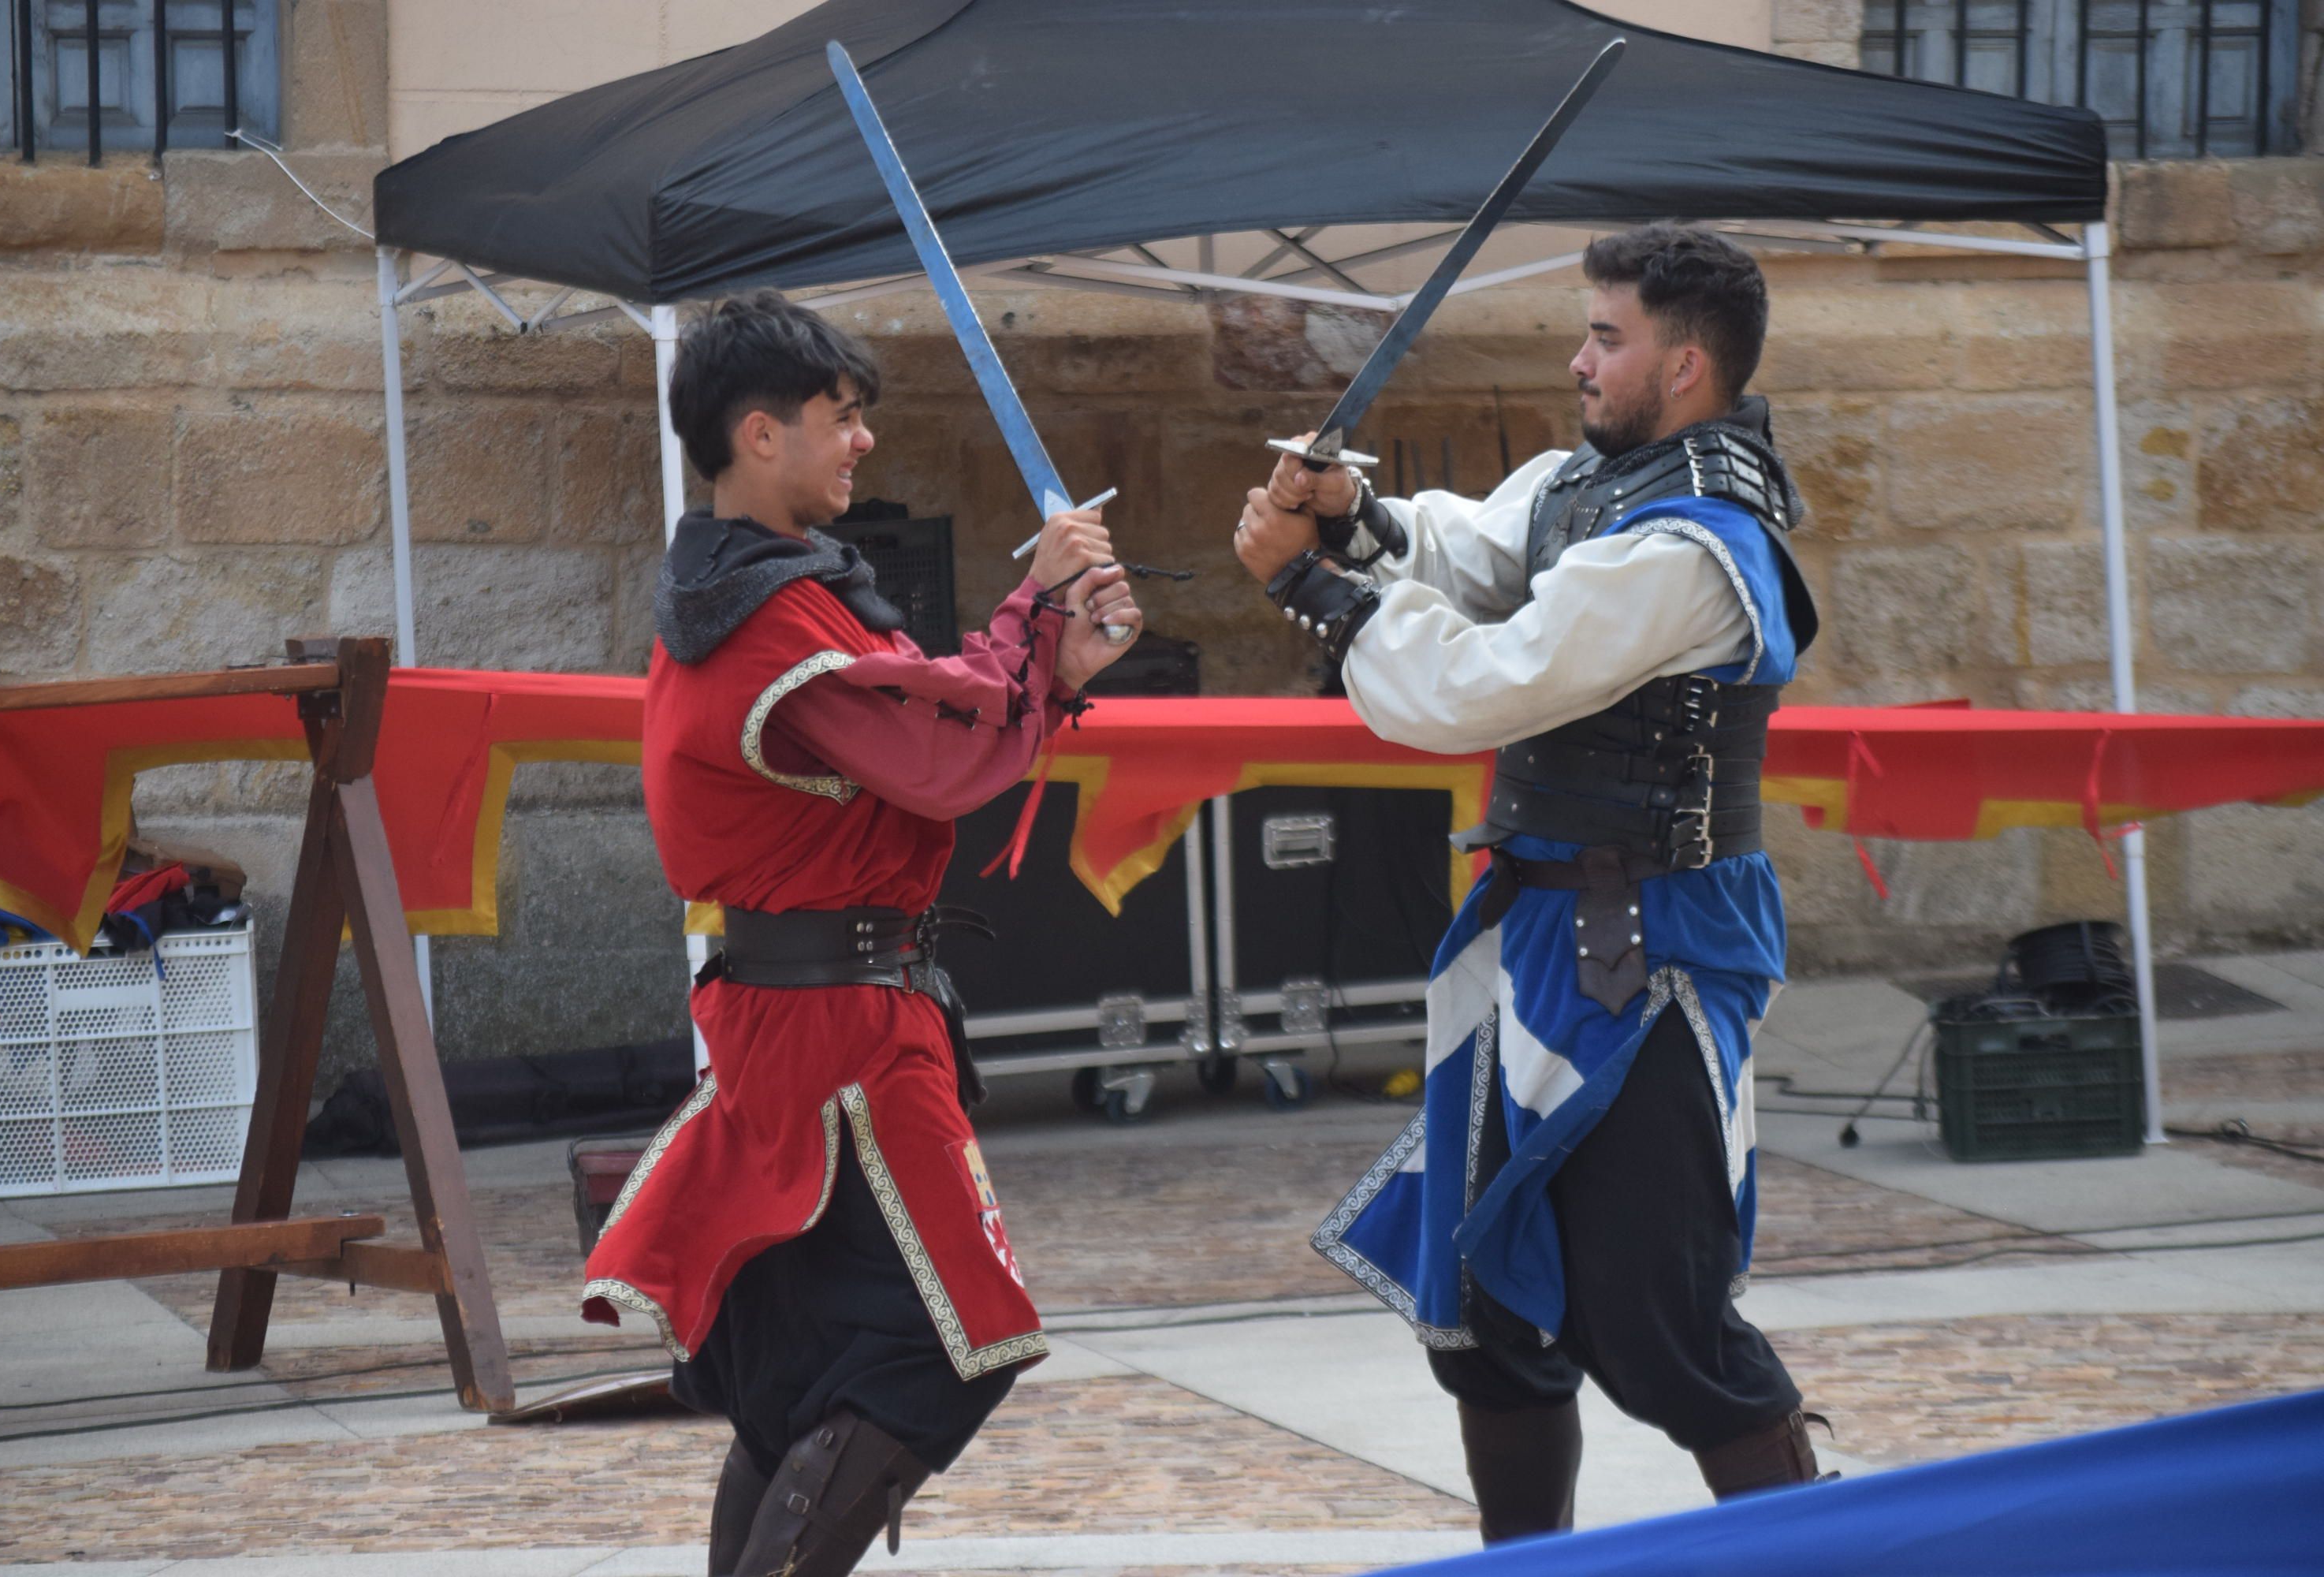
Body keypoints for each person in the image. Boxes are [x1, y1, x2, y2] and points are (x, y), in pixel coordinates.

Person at [1234, 225, 1824, 1541]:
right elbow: (1487, 552)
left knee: (1661, 1327)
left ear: (1683, 367)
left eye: (1605, 337)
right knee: (1485, 1315)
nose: (1578, 357)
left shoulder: (1699, 546)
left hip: (1652, 949)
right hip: (1536, 936)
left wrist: (1320, 595)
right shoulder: (1591, 479)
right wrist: (1359, 518)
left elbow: (1491, 681)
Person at [583, 290, 1139, 1577]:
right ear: (760, 435)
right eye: (841, 420)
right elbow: (933, 753)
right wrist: (1037, 620)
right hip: (837, 1037)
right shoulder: (766, 615)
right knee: (943, 1349)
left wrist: (1047, 652)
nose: (862, 444)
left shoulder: (757, 589)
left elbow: (917, 727)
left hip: (814, 1021)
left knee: (799, 1377)